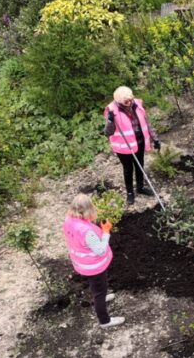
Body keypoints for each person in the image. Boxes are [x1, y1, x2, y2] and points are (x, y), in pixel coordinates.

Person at [63, 193, 124, 329]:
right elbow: (100, 250)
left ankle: (101, 297)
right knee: (99, 292)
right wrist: (106, 232)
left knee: (97, 287)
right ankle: (105, 321)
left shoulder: (69, 220)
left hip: (81, 263)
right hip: (94, 267)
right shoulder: (86, 232)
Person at [104, 86, 159, 205]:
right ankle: (130, 193)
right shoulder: (112, 110)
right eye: (126, 102)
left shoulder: (137, 105)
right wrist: (110, 121)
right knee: (128, 169)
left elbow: (146, 123)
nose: (129, 103)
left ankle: (140, 187)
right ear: (118, 101)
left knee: (140, 165)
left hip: (139, 142)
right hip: (123, 147)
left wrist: (155, 138)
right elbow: (108, 132)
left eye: (130, 99)